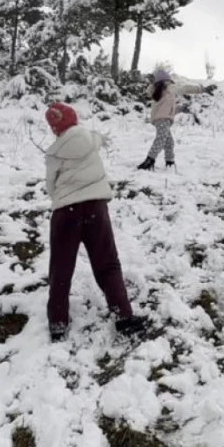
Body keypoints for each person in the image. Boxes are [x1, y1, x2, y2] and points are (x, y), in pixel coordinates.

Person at [44, 102, 148, 342]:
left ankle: (58, 323)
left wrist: (62, 196)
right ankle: (123, 316)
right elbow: (100, 139)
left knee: (61, 267)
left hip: (65, 214)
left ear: (54, 127)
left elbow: (51, 186)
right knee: (108, 263)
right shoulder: (91, 139)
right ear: (74, 119)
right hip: (95, 208)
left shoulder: (54, 153)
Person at [137, 69, 216, 170]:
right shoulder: (169, 87)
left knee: (169, 142)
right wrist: (202, 89)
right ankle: (150, 160)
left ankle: (170, 162)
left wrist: (181, 108)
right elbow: (185, 88)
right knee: (161, 139)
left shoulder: (158, 92)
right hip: (163, 120)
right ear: (167, 79)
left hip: (159, 120)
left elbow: (167, 109)